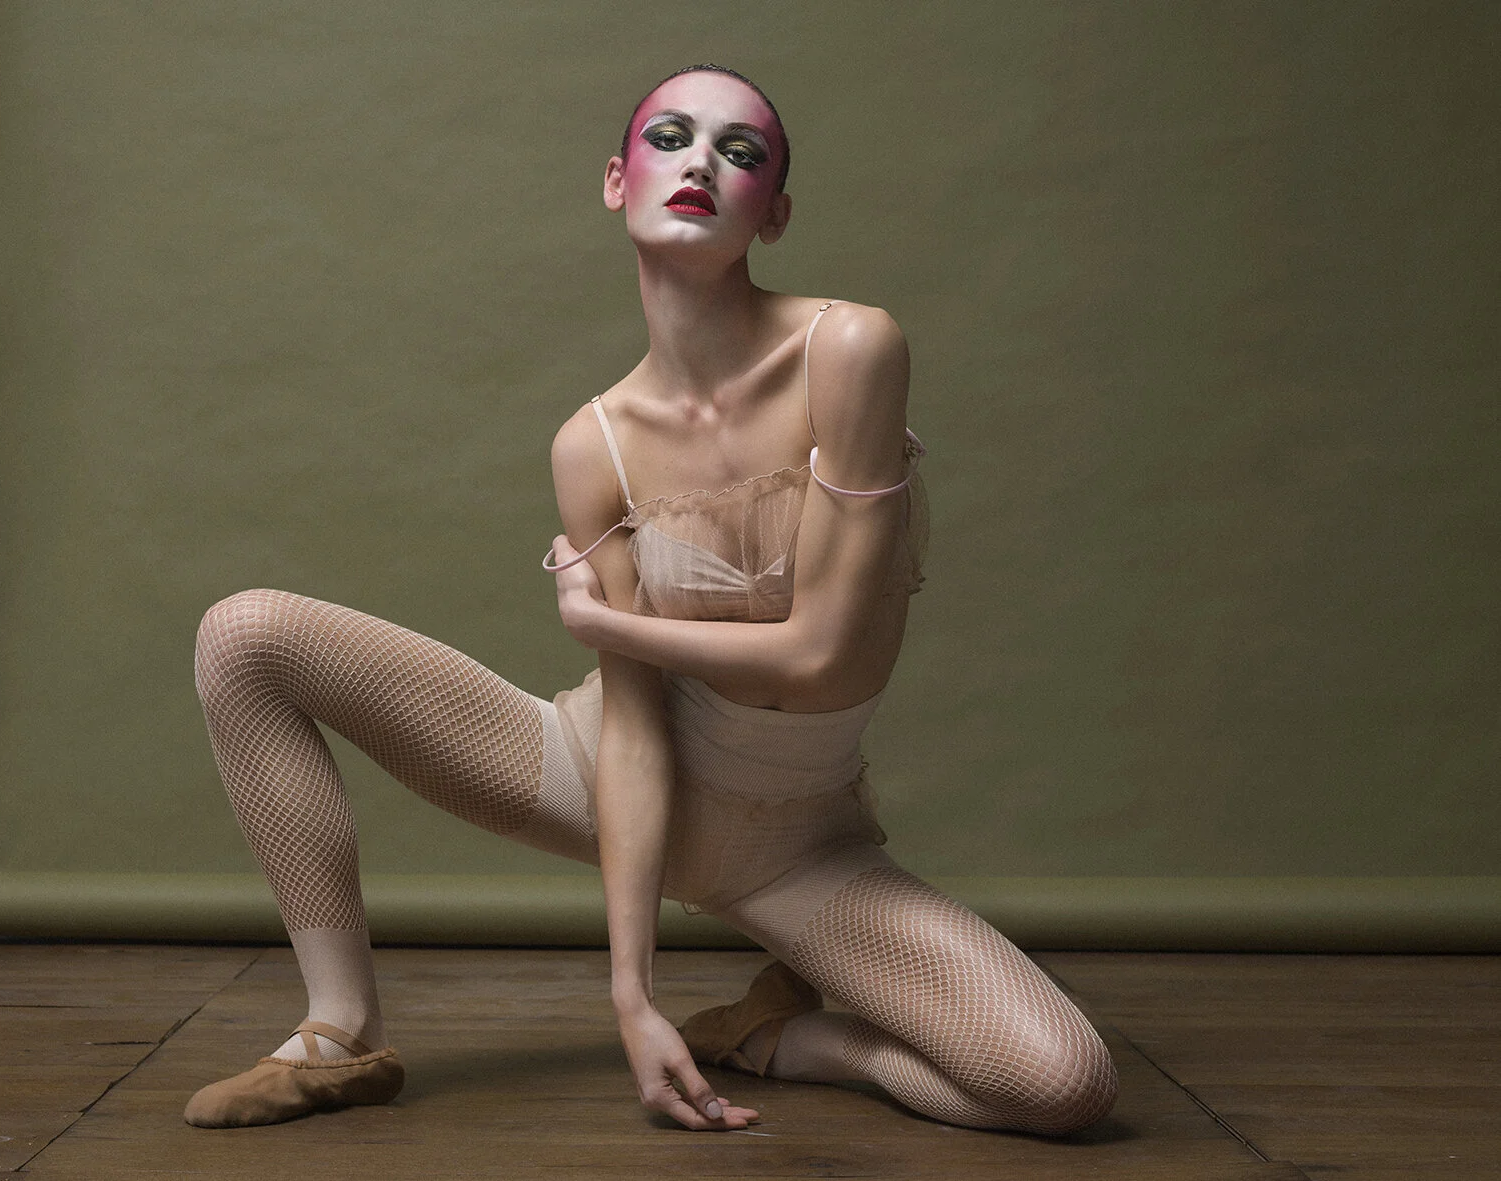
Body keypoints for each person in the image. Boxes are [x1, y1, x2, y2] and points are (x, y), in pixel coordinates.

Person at [182, 64, 1117, 1135]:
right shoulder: (593, 444)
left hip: (796, 845)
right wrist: (630, 995)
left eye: (739, 151)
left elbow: (819, 652)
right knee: (244, 635)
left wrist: (601, 622)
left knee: (1064, 1084)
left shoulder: (850, 349)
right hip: (605, 776)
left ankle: (770, 1036)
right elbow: (632, 725)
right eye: (670, 138)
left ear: (774, 213)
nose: (700, 161)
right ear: (616, 181)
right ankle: (342, 1028)